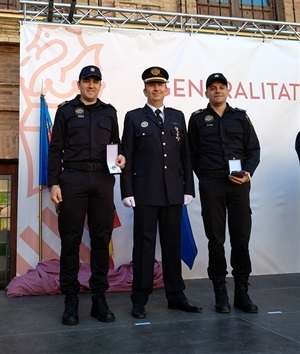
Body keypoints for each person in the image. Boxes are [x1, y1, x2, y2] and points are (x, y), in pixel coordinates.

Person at [120, 66, 202, 319]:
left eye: (160, 85)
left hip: (173, 193)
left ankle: (176, 295)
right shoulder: (133, 117)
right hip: (144, 193)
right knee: (143, 247)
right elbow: (127, 155)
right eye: (151, 85)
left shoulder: (178, 116)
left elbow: (185, 156)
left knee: (172, 246)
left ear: (167, 89)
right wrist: (127, 190)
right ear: (144, 89)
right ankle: (140, 299)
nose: (156, 88)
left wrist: (189, 188)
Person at [48, 65, 126, 325]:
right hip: (72, 179)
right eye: (87, 81)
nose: (91, 85)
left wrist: (120, 157)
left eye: (96, 81)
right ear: (78, 84)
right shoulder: (66, 111)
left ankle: (99, 299)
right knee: (70, 241)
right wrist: (54, 183)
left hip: (103, 180)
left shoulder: (110, 112)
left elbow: (115, 144)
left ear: (100, 85)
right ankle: (70, 300)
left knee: (101, 239)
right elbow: (56, 148)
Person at [188, 73, 260, 314]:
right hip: (212, 185)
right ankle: (220, 292)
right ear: (206, 92)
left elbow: (253, 149)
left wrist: (247, 172)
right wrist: (206, 177)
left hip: (239, 184)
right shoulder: (197, 119)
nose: (217, 91)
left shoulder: (240, 117)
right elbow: (192, 154)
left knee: (241, 238)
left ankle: (242, 292)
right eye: (212, 88)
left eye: (221, 87)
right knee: (215, 239)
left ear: (228, 91)